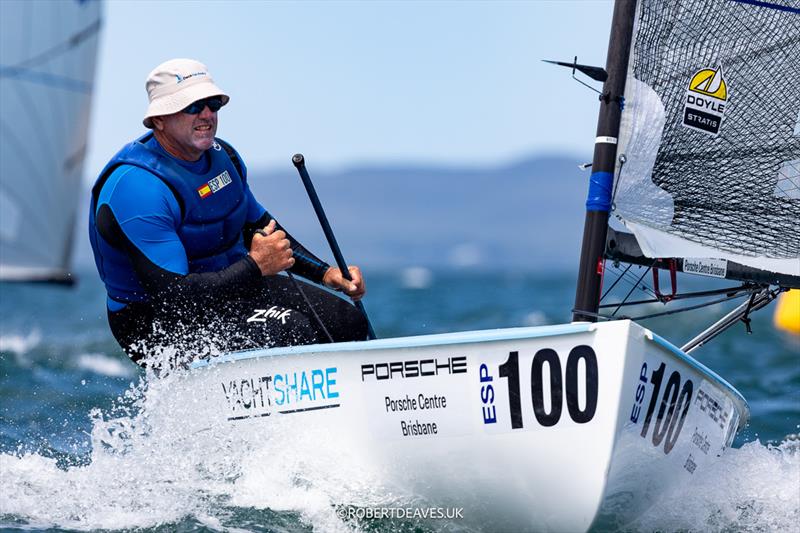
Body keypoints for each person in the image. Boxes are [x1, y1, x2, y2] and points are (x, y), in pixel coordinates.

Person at [89, 58, 368, 366]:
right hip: (157, 322)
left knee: (346, 322)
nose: (207, 114)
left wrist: (325, 273)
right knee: (291, 330)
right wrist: (254, 266)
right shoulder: (138, 189)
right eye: (193, 106)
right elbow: (174, 298)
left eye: (213, 104)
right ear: (158, 120)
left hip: (232, 286)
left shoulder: (225, 158)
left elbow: (260, 226)